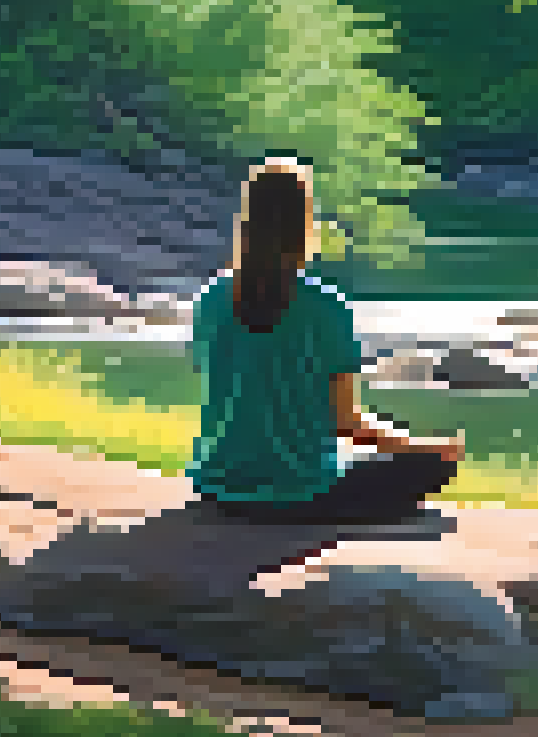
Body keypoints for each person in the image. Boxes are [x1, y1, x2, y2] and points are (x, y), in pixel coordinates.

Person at [186, 156, 463, 524]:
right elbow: (346, 422)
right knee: (433, 465)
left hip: (219, 487)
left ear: (246, 222)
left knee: (360, 460)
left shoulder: (210, 300)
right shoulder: (326, 306)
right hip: (301, 492)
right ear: (303, 225)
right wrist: (423, 446)